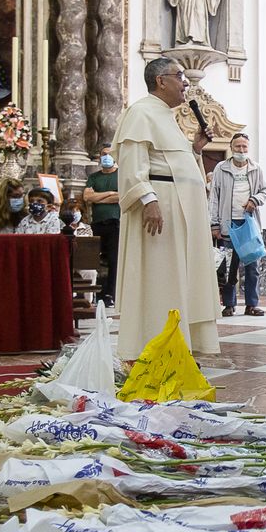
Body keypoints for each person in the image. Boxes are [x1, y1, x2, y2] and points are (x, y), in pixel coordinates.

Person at [112, 57, 220, 359]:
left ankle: (178, 347)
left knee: (181, 279)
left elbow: (170, 161)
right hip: (162, 208)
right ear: (161, 81)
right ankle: (155, 348)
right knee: (161, 278)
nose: (185, 83)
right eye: (179, 76)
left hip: (181, 209)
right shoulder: (141, 112)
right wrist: (148, 200)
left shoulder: (164, 116)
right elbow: (134, 163)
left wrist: (194, 149)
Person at [208, 133, 266, 318]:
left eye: (244, 147)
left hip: (249, 224)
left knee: (252, 267)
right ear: (231, 147)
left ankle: (252, 304)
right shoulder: (221, 168)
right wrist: (214, 224)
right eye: (237, 147)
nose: (241, 150)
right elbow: (214, 197)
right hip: (228, 224)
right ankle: (229, 304)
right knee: (229, 268)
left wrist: (254, 200)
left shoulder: (255, 168)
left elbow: (264, 191)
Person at [83, 149, 121, 307]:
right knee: (93, 259)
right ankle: (94, 293)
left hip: (115, 222)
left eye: (109, 153)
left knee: (114, 260)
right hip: (97, 223)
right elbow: (87, 197)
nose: (106, 157)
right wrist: (110, 194)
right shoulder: (94, 177)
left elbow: (121, 196)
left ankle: (109, 294)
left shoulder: (120, 175)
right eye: (103, 154)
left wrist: (99, 197)